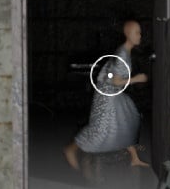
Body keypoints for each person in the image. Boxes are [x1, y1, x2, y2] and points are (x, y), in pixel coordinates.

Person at [64, 19, 150, 172]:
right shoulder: (122, 54)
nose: (140, 36)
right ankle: (71, 149)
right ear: (128, 34)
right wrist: (136, 79)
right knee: (99, 129)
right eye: (137, 32)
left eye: (140, 32)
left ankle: (134, 158)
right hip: (106, 96)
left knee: (128, 121)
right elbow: (116, 81)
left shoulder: (125, 51)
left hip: (114, 94)